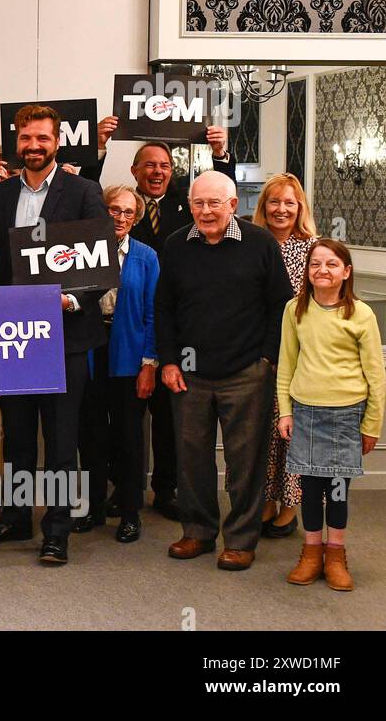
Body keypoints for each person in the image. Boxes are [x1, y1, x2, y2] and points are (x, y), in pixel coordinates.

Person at [0, 104, 106, 565]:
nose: (34, 146)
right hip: (13, 333)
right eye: (26, 138)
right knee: (17, 435)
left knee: (62, 438)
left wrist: (70, 301)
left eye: (42, 139)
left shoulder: (85, 192)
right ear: (17, 141)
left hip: (66, 333)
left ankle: (57, 530)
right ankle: (14, 518)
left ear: (56, 142)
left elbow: (99, 264)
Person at [157, 170, 293, 571]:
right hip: (188, 373)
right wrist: (167, 361)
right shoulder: (175, 245)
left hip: (247, 373)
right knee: (192, 458)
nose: (205, 211)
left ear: (233, 205)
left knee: (245, 463)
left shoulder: (261, 243)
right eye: (198, 203)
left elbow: (280, 307)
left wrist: (267, 360)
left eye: (214, 203)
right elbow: (163, 308)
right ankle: (197, 531)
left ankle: (240, 540)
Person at [105, 128, 235, 521]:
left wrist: (220, 153)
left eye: (164, 166)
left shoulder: (188, 205)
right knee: (124, 420)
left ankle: (165, 489)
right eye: (149, 166)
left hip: (181, 331)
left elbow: (220, 195)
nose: (157, 172)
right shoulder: (119, 210)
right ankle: (123, 490)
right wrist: (97, 146)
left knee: (168, 417)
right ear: (135, 170)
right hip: (135, 325)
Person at [278, 239, 385, 591]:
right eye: (315, 264)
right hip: (306, 413)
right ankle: (311, 553)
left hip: (346, 416)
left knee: (337, 490)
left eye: (331, 264)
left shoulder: (361, 314)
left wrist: (371, 424)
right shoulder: (295, 309)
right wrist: (285, 413)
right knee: (309, 489)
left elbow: (375, 376)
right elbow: (286, 367)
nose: (322, 270)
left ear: (347, 271)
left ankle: (335, 553)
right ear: (307, 272)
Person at [75, 185, 159, 543]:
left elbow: (156, 313)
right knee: (90, 435)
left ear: (136, 218)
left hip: (130, 354)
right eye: (113, 210)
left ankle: (129, 513)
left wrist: (149, 364)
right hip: (92, 349)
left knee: (128, 437)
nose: (120, 218)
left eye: (128, 212)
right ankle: (93, 507)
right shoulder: (79, 252)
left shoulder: (146, 256)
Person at [252, 172, 317, 539]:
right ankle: (265, 501)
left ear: (299, 207)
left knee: (293, 433)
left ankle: (290, 506)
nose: (281, 209)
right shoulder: (251, 242)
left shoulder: (313, 248)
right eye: (274, 202)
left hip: (301, 357)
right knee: (262, 432)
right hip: (259, 351)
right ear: (264, 206)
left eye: (289, 202)